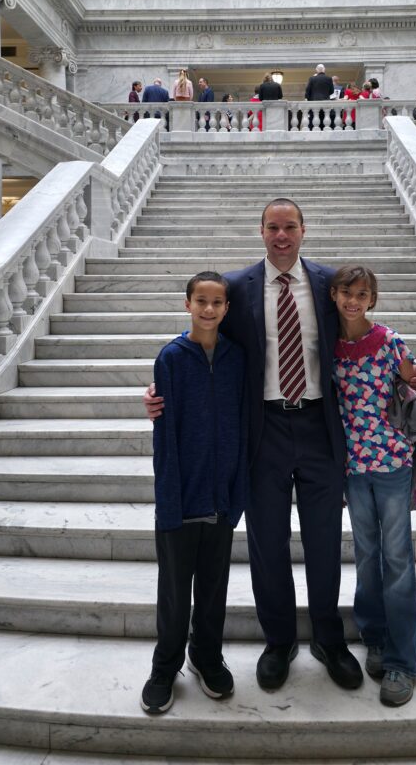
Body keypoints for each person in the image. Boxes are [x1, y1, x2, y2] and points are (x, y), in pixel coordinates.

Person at [144, 199, 416, 696]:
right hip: (265, 431)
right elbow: (205, 330)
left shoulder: (326, 284)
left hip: (321, 428)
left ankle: (328, 638)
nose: (282, 235)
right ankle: (278, 641)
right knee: (267, 542)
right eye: (273, 227)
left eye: (290, 227)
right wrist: (162, 386)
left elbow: (362, 329)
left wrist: (413, 372)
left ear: (303, 230)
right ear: (260, 231)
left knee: (323, 540)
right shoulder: (237, 288)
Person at [330, 265, 416, 708]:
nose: (353, 301)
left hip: (393, 464)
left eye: (362, 293)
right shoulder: (329, 350)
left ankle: (401, 661)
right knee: (367, 554)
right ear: (334, 296)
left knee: (396, 560)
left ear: (372, 299)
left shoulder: (392, 343)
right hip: (353, 470)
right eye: (346, 293)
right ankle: (373, 637)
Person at [140, 271, 247, 716]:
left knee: (214, 586)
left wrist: (236, 493)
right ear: (187, 304)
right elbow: (164, 436)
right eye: (200, 301)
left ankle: (206, 655)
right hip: (180, 497)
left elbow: (243, 426)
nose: (208, 309)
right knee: (174, 589)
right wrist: (168, 500)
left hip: (221, 496)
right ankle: (165, 666)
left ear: (226, 308)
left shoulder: (237, 358)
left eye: (217, 302)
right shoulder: (170, 358)